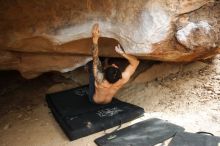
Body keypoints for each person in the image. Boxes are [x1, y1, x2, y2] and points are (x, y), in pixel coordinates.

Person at [88, 23, 139, 104]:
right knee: (96, 66)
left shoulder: (100, 80)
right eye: (115, 66)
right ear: (119, 76)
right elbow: (136, 62)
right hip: (108, 101)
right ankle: (105, 62)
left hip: (94, 100)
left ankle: (99, 65)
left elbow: (95, 57)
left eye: (113, 66)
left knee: (92, 65)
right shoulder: (123, 79)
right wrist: (122, 53)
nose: (115, 65)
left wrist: (95, 39)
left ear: (103, 73)